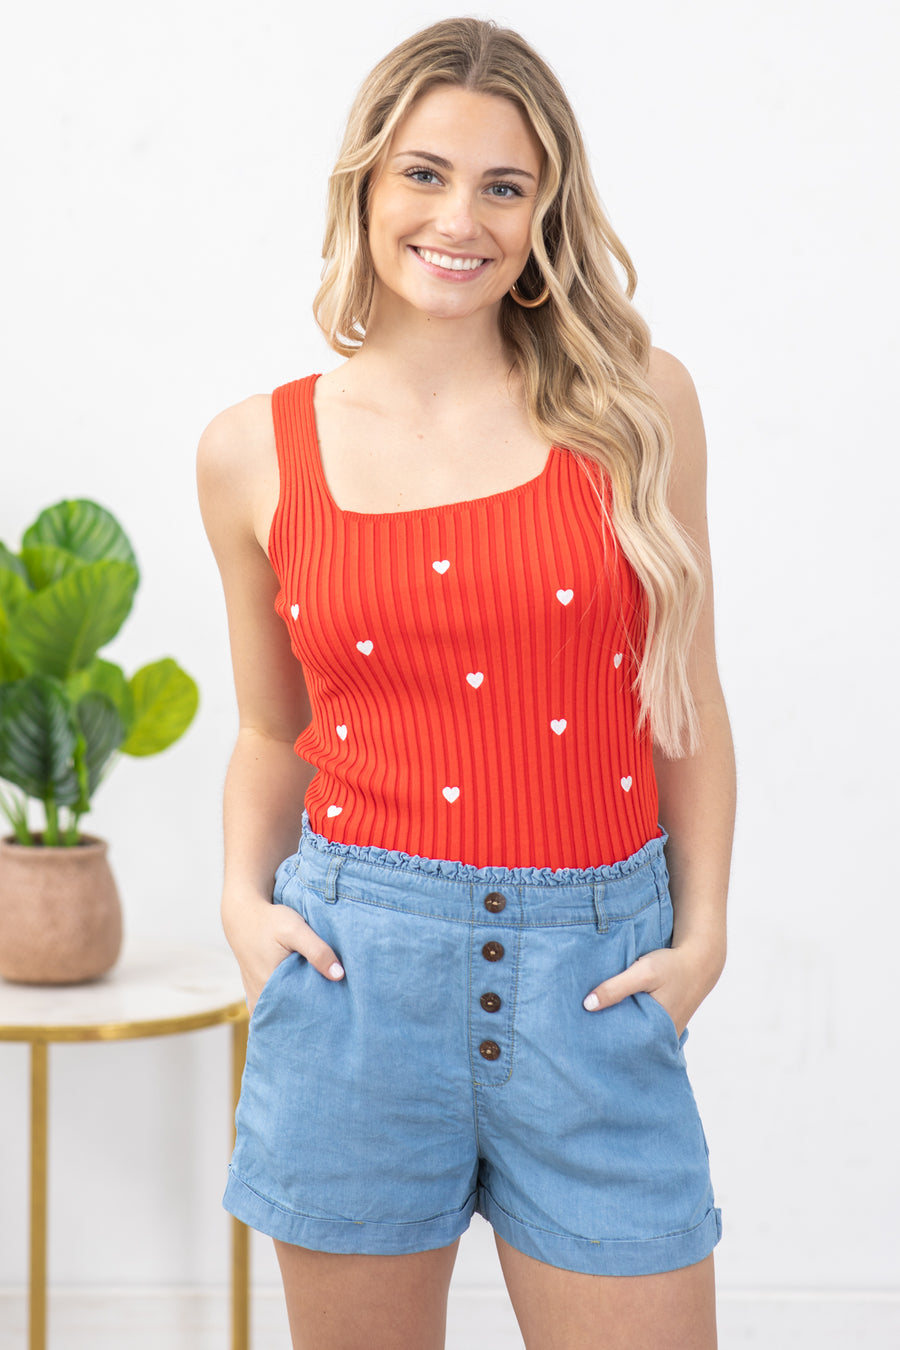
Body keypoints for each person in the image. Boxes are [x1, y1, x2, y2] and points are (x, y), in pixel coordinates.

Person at [197, 16, 735, 1349]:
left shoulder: (639, 405)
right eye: (426, 174)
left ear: (547, 210)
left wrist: (704, 931)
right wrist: (238, 904)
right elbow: (273, 725)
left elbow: (688, 697)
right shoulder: (251, 453)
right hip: (356, 980)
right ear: (367, 186)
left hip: (596, 978)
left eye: (506, 185)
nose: (462, 218)